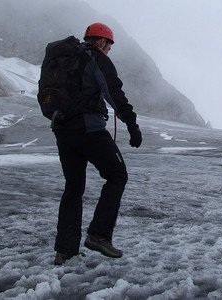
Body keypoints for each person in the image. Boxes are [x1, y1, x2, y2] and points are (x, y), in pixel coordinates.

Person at [52, 23, 142, 265]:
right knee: (117, 175)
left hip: (63, 130)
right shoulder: (96, 58)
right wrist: (132, 125)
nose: (109, 50)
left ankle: (65, 251)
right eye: (109, 45)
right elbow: (114, 93)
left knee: (73, 187)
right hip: (89, 129)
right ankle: (98, 235)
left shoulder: (68, 59)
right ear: (102, 41)